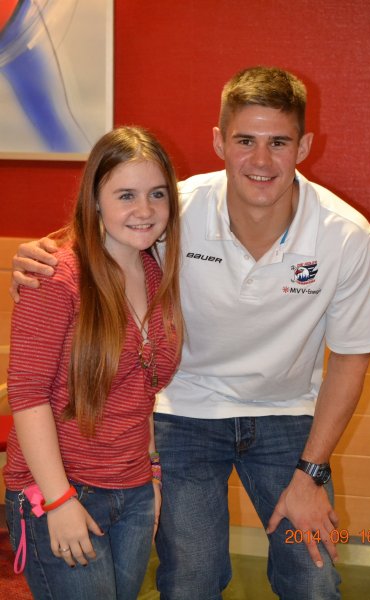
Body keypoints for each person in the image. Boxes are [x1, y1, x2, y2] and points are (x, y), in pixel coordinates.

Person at [10, 67, 370, 600]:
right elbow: (102, 229)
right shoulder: (173, 209)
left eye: (279, 142)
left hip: (286, 415)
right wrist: (39, 254)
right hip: (185, 410)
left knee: (314, 574)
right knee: (192, 578)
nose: (261, 161)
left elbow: (350, 358)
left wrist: (312, 473)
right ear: (219, 142)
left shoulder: (345, 235)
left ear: (303, 146)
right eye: (245, 140)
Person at [4, 126, 183, 600]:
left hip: (134, 491)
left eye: (157, 194)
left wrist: (151, 474)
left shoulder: (156, 272)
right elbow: (27, 395)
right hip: (61, 489)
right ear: (96, 201)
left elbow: (141, 389)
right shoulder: (56, 275)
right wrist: (59, 499)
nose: (145, 210)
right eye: (126, 195)